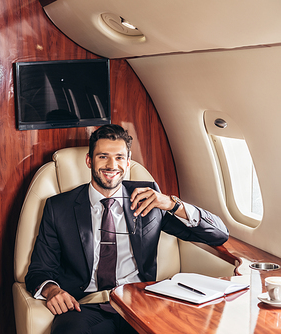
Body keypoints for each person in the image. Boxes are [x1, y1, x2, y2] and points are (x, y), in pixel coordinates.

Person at [25, 124, 229, 334]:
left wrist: (172, 203)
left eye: (120, 157)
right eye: (103, 156)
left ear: (128, 162)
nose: (112, 165)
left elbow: (219, 235)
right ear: (89, 160)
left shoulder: (149, 199)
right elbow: (39, 270)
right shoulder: (59, 207)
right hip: (85, 306)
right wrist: (51, 290)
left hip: (141, 302)